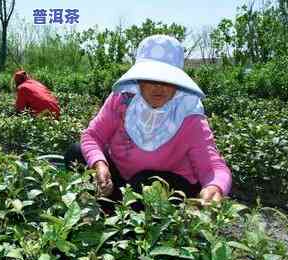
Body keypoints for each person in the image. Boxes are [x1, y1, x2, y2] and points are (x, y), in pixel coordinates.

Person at [65, 35, 231, 211]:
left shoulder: (188, 113)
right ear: (139, 79)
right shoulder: (122, 100)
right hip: (124, 181)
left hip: (168, 186)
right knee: (76, 153)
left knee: (146, 183)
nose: (158, 87)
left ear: (177, 83)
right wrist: (99, 164)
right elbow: (92, 136)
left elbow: (213, 166)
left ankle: (125, 217)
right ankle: (113, 209)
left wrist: (215, 187)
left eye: (167, 80)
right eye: (151, 79)